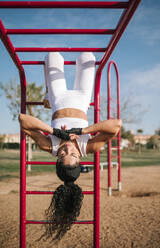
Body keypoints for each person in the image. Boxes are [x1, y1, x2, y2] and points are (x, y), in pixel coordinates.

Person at [19, 52, 121, 241]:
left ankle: (48, 92)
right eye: (72, 154)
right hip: (82, 99)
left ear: (57, 157)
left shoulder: (50, 146)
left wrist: (54, 131)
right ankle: (48, 93)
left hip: (58, 99)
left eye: (63, 153)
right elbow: (116, 125)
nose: (68, 149)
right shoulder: (88, 147)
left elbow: (23, 120)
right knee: (87, 57)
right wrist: (82, 131)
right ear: (79, 158)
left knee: (53, 56)